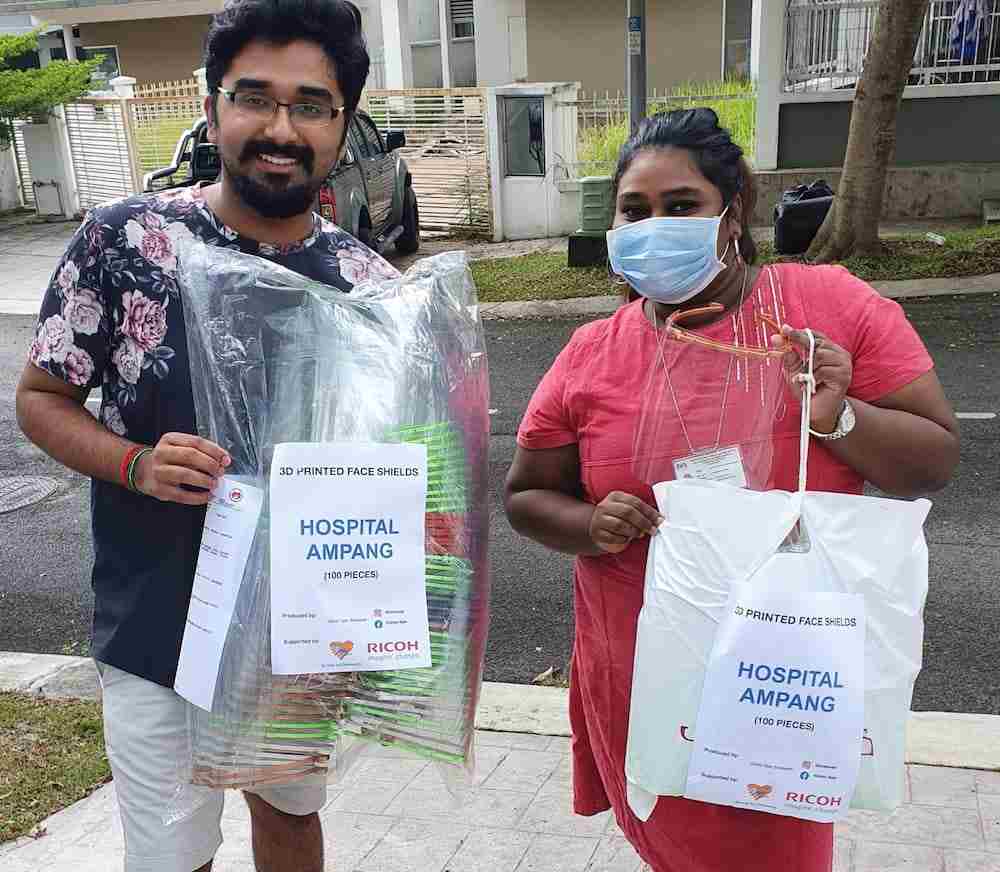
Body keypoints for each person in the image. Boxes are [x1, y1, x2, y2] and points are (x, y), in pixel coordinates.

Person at [503, 108, 960, 872]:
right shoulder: (593, 352)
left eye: (681, 206)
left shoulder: (830, 309)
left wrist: (839, 416)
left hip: (784, 674)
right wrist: (591, 526)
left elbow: (934, 459)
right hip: (645, 672)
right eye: (634, 211)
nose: (656, 226)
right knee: (671, 846)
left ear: (733, 211)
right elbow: (525, 495)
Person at [15, 2, 397, 870]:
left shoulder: (366, 284)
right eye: (253, 97)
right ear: (213, 101)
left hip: (301, 631)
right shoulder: (127, 241)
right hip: (157, 621)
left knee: (291, 816)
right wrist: (136, 462)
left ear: (344, 122)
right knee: (170, 852)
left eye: (312, 104)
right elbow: (40, 398)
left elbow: (397, 463)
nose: (279, 127)